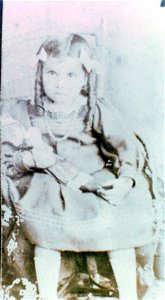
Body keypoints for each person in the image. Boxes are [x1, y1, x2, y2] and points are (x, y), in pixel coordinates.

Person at [2, 33, 159, 300]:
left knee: (118, 227)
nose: (60, 84)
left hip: (94, 179)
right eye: (52, 73)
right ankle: (49, 294)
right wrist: (28, 160)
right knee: (47, 235)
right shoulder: (28, 112)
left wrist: (126, 180)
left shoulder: (93, 109)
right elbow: (8, 156)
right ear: (41, 74)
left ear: (85, 78)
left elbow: (125, 146)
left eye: (70, 76)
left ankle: (129, 294)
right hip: (50, 185)